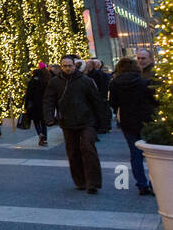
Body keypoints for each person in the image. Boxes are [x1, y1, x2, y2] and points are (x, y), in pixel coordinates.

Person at [42, 54, 108, 194]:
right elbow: (48, 101)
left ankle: (93, 182)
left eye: (69, 66)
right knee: (73, 152)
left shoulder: (85, 81)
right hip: (67, 121)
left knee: (88, 149)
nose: (67, 68)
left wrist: (102, 122)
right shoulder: (55, 82)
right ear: (61, 67)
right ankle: (80, 181)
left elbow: (96, 101)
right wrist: (49, 117)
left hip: (86, 120)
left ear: (75, 66)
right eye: (64, 66)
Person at [108, 57, 156, 196]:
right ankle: (154, 184)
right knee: (151, 154)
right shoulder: (143, 82)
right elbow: (153, 100)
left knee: (135, 154)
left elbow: (112, 103)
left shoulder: (115, 83)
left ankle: (141, 184)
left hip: (127, 121)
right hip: (146, 120)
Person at [25, 65, 51, 147]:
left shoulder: (33, 80)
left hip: (34, 104)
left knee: (36, 121)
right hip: (44, 103)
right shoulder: (47, 79)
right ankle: (45, 139)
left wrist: (26, 104)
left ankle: (40, 134)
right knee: (43, 122)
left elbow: (28, 94)